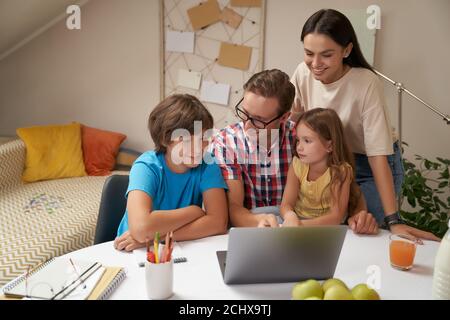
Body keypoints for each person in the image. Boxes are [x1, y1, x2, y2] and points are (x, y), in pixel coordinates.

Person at [290, 9, 439, 241]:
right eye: (309, 53)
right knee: (327, 229)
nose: (315, 64)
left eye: (326, 55)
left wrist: (394, 220)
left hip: (370, 166)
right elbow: (291, 116)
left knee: (359, 230)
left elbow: (377, 155)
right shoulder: (302, 72)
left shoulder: (366, 83)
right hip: (331, 163)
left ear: (347, 50)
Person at [212, 69, 378, 233]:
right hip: (254, 229)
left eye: (259, 120)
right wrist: (262, 222)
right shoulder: (227, 142)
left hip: (302, 230)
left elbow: (342, 179)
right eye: (245, 113)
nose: (247, 125)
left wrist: (359, 214)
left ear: (284, 117)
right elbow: (234, 208)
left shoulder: (305, 139)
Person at [114, 94, 229, 252]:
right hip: (132, 250)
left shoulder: (208, 164)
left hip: (172, 247)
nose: (197, 147)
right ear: (164, 139)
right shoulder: (147, 166)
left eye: (203, 138)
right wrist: (194, 211)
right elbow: (140, 228)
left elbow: (219, 223)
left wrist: (157, 238)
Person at [281, 108, 367, 230]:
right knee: (264, 215)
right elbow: (286, 204)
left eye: (307, 141)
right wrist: (290, 216)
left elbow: (335, 217)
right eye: (298, 140)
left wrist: (300, 226)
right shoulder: (297, 164)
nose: (299, 147)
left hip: (327, 227)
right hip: (297, 219)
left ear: (329, 146)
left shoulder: (341, 172)